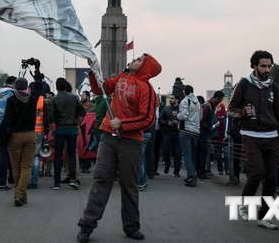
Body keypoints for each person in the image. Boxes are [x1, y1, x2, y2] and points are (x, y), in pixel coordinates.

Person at [77, 53, 161, 243]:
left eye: (139, 60)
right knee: (101, 179)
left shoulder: (146, 88)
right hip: (108, 136)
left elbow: (148, 119)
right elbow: (101, 89)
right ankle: (86, 225)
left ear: (146, 68)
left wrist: (122, 123)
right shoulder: (121, 77)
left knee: (129, 185)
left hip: (131, 142)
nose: (134, 60)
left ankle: (131, 226)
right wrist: (93, 71)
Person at [228, 50, 279, 230]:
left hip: (272, 137)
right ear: (254, 66)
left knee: (272, 177)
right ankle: (244, 203)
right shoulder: (244, 84)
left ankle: (263, 217)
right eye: (263, 66)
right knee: (257, 172)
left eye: (269, 66)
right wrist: (242, 112)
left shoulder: (273, 86)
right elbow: (230, 109)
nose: (267, 69)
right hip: (250, 135)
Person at [0, 78, 41, 206]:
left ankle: (18, 194)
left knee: (15, 167)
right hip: (30, 135)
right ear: (27, 87)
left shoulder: (11, 100)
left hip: (14, 137)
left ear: (15, 87)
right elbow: (39, 87)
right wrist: (36, 72)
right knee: (26, 167)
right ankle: (21, 195)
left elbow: (5, 121)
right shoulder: (33, 99)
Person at [50, 78, 85, 190]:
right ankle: (73, 179)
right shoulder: (74, 98)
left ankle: (56, 183)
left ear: (56, 87)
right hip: (72, 129)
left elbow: (51, 118)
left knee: (58, 156)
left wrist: (54, 130)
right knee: (71, 155)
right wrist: (77, 124)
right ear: (65, 86)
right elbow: (82, 112)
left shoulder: (54, 99)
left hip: (60, 129)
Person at [177, 85, 201, 187]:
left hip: (186, 130)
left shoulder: (185, 101)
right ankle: (193, 174)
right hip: (196, 131)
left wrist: (177, 115)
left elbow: (183, 115)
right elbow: (201, 116)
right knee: (193, 155)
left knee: (187, 155)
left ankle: (191, 177)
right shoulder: (198, 102)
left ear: (184, 92)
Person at [198, 91, 224, 180]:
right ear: (217, 98)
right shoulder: (207, 106)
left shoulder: (211, 105)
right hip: (203, 133)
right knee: (202, 153)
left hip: (205, 133)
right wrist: (209, 128)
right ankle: (200, 172)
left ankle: (201, 171)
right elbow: (202, 121)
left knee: (204, 153)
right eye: (220, 99)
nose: (220, 101)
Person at [160, 94, 182, 177]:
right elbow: (160, 120)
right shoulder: (166, 108)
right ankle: (167, 163)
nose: (170, 100)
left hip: (178, 134)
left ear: (177, 100)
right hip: (167, 133)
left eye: (172, 98)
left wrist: (178, 123)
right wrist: (167, 123)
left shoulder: (181, 109)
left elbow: (185, 119)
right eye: (170, 98)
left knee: (178, 154)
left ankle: (176, 172)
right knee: (165, 152)